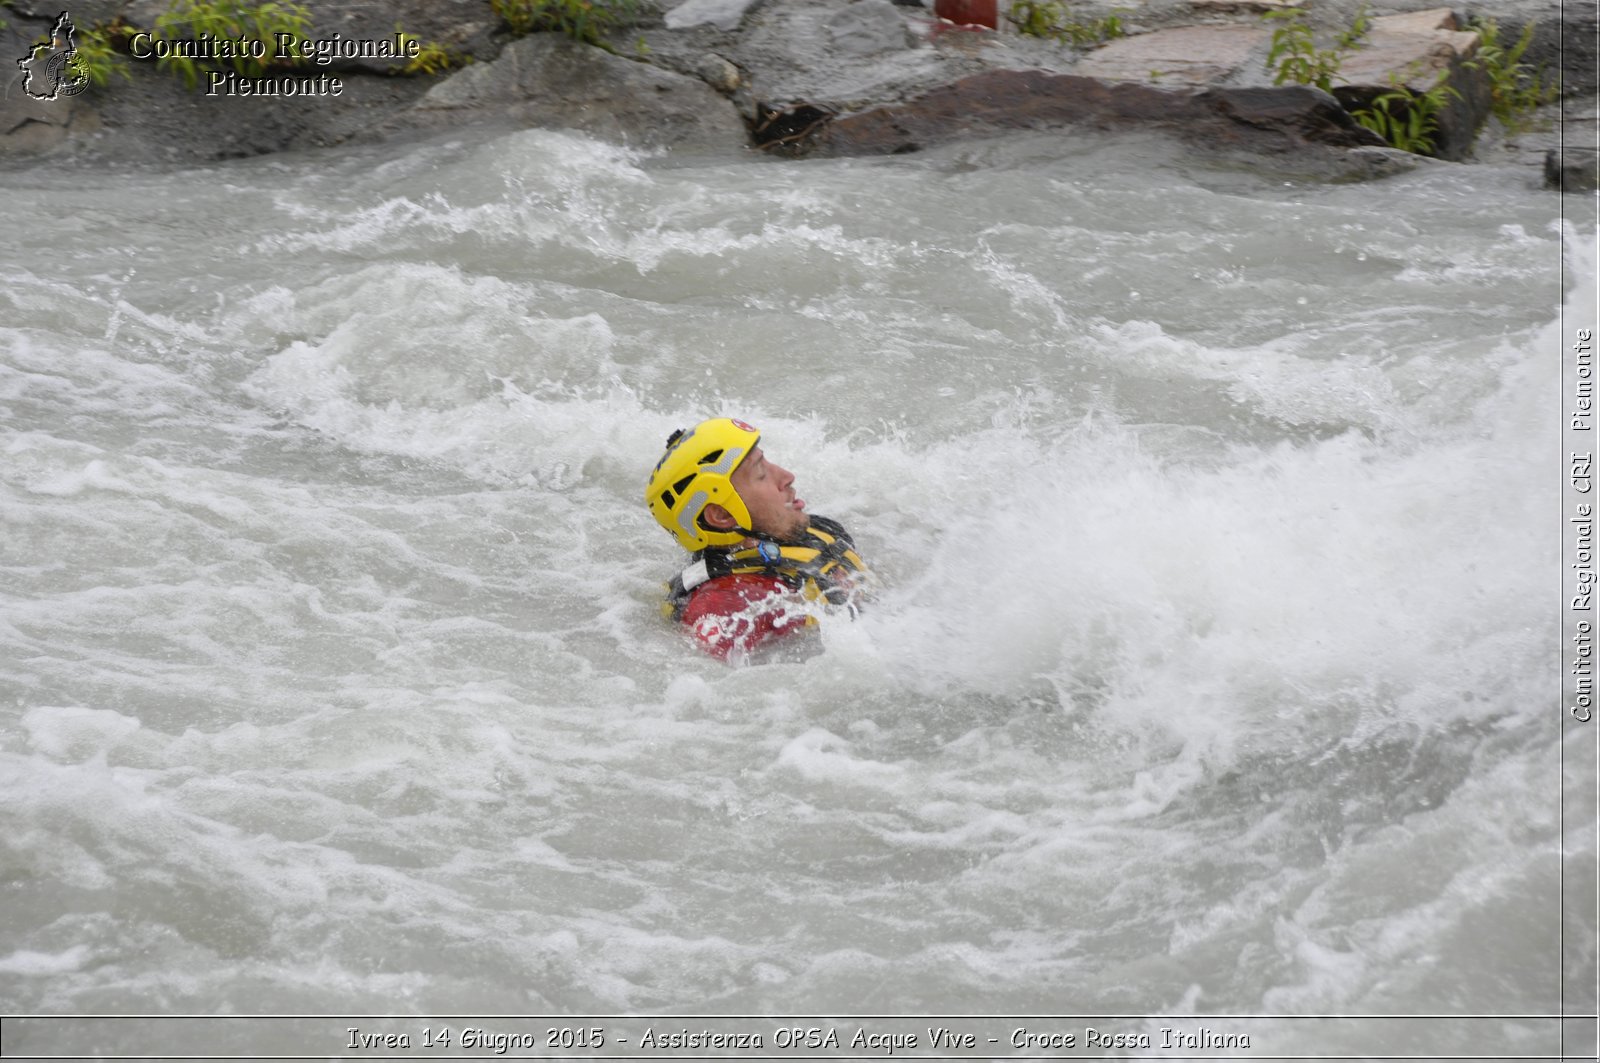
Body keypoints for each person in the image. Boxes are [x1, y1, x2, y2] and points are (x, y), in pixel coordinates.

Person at [645, 417, 869, 661]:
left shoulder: (808, 535)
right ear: (722, 514)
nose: (787, 476)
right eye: (761, 473)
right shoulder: (724, 606)